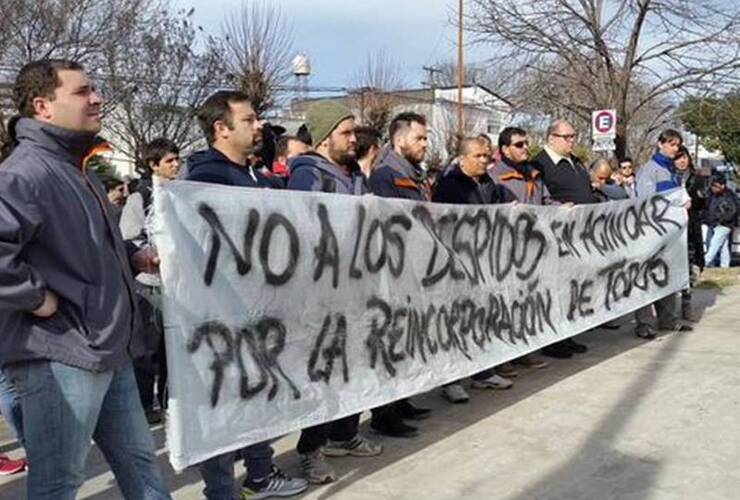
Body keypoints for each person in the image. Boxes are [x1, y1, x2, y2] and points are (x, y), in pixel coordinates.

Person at [0, 58, 170, 499]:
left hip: (108, 350)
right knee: (58, 485)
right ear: (43, 106)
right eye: (82, 91)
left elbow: (90, 241)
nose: (96, 98)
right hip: (61, 355)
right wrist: (36, 299)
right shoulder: (24, 173)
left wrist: (134, 257)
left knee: (143, 471)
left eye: (94, 89)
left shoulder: (77, 169)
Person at [186, 90, 307, 499]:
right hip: (220, 315)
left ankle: (259, 475)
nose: (259, 127)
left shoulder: (250, 174)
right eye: (250, 119)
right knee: (222, 406)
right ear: (221, 128)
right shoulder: (205, 178)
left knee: (258, 398)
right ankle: (220, 491)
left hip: (258, 310)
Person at [287, 100, 383, 484]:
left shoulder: (351, 173)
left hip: (355, 289)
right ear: (326, 137)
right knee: (325, 373)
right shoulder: (307, 176)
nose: (353, 138)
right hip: (322, 295)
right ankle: (310, 449)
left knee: (354, 368)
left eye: (354, 131)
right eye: (346, 132)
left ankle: (344, 433)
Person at [432, 136, 514, 404]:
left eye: (487, 156)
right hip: (457, 264)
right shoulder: (449, 185)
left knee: (482, 319)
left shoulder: (489, 183)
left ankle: (483, 372)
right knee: (455, 322)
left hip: (485, 262)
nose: (484, 161)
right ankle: (451, 380)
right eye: (479, 156)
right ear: (463, 158)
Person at [366, 112, 433, 438]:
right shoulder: (385, 175)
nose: (425, 144)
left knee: (408, 340)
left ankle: (402, 399)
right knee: (391, 343)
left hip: (414, 271)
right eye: (419, 137)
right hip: (394, 273)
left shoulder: (413, 174)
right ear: (400, 139)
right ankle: (384, 413)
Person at [120, 138, 181, 424]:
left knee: (174, 346)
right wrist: (150, 252)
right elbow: (129, 236)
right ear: (153, 165)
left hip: (178, 283)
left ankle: (172, 400)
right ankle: (146, 404)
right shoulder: (140, 196)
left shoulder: (182, 192)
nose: (176, 164)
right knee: (148, 347)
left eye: (177, 159)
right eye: (169, 160)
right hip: (149, 283)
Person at [488, 126, 553, 373]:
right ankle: (501, 357)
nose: (525, 148)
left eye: (526, 143)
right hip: (506, 252)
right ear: (505, 149)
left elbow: (546, 202)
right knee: (504, 303)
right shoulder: (494, 176)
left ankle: (523, 349)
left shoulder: (534, 175)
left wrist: (564, 209)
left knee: (526, 302)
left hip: (533, 250)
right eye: (519, 144)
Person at [532, 119, 591, 358]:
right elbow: (540, 199)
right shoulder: (540, 164)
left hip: (579, 236)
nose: (571, 141)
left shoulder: (576, 162)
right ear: (551, 138)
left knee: (570, 288)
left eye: (573, 136)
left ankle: (567, 334)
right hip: (554, 236)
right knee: (554, 289)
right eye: (566, 137)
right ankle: (552, 340)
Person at [633, 129, 694, 339]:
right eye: (671, 144)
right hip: (650, 233)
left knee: (667, 275)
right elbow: (647, 201)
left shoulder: (673, 171)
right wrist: (677, 201)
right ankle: (645, 323)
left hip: (670, 235)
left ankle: (668, 319)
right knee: (646, 277)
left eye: (677, 145)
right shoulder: (649, 170)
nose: (675, 149)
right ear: (660, 144)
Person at [674, 146, 707, 320]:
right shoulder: (668, 176)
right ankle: (668, 310)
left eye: (684, 157)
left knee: (690, 265)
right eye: (678, 158)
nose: (682, 161)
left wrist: (695, 199)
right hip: (671, 228)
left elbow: (702, 203)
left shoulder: (697, 178)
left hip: (691, 227)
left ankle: (686, 305)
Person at [704, 175, 737, 269]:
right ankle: (725, 266)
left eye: (715, 185)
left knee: (714, 244)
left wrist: (720, 220)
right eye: (712, 186)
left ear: (722, 186)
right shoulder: (715, 195)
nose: (713, 188)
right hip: (718, 224)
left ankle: (705, 262)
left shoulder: (728, 196)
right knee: (723, 247)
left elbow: (733, 211)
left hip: (723, 224)